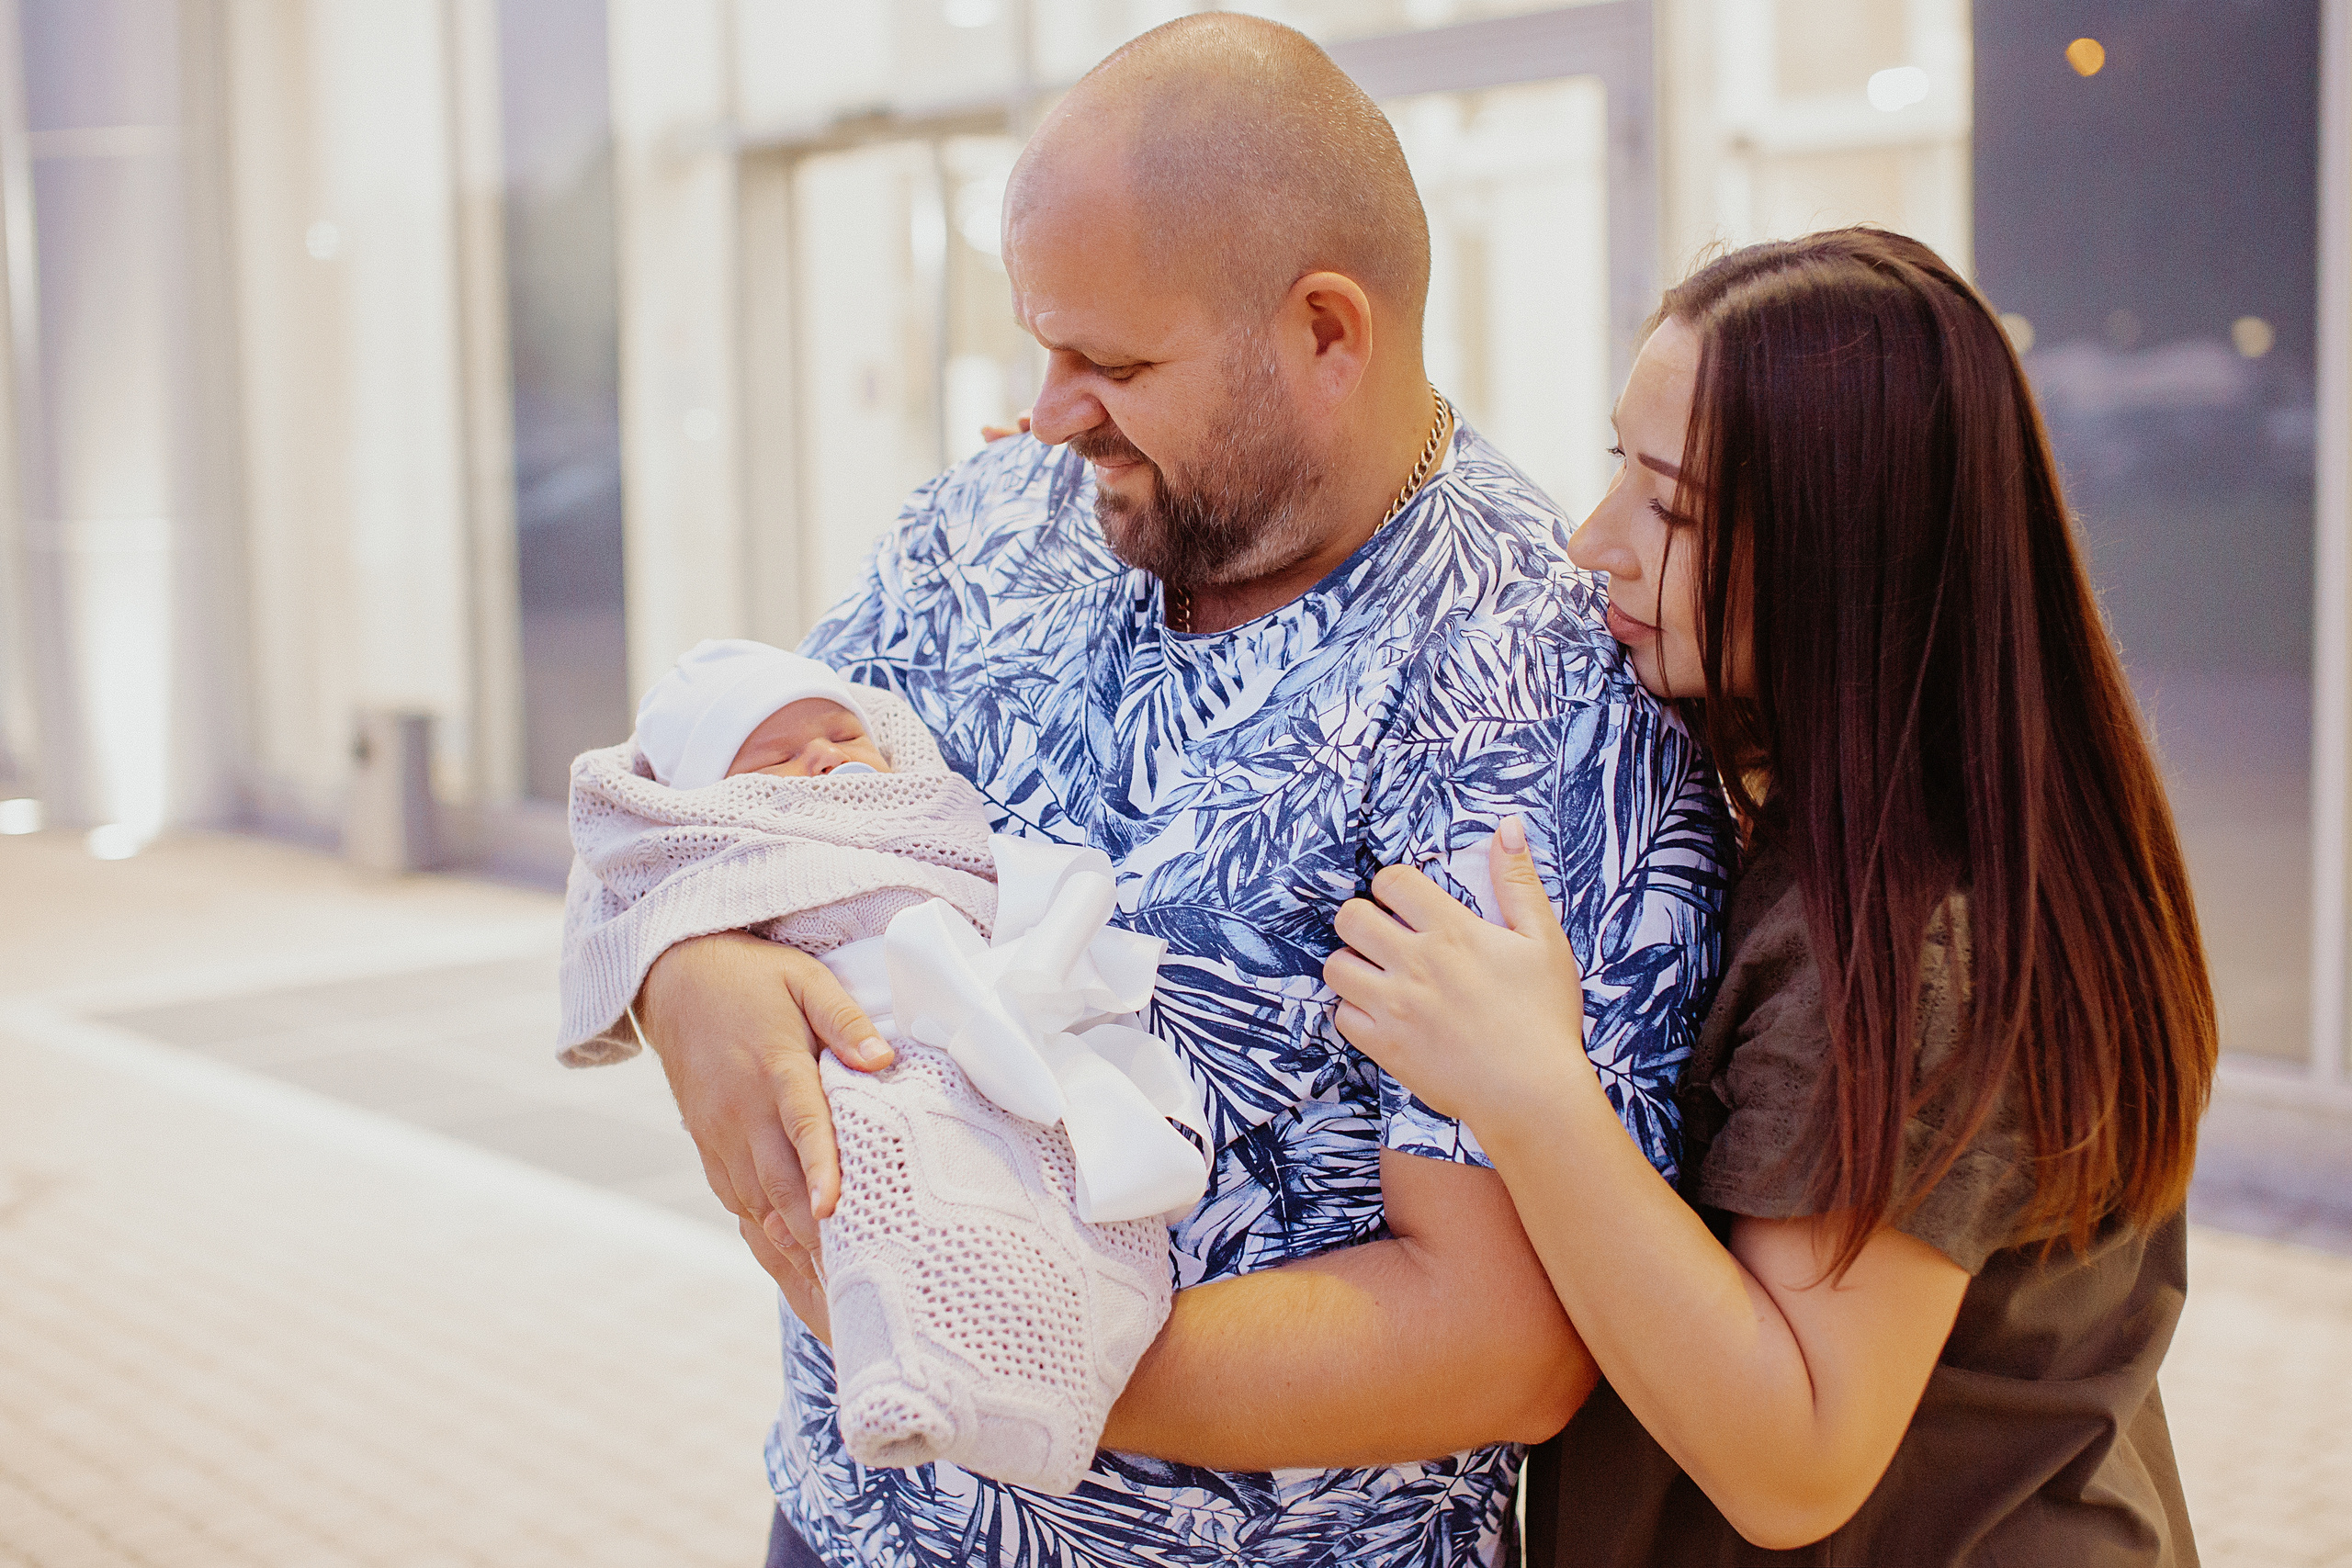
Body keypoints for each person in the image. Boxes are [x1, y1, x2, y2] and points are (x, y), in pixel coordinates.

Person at [600, 15, 1729, 1568]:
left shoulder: (1529, 691)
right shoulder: (994, 518)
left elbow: (1503, 1335)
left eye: (1112, 362)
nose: (1052, 408)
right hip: (846, 1518)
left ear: (1327, 331)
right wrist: (689, 971)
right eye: (1041, 345)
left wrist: (991, 1355)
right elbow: (734, 812)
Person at [1327, 228, 2215, 1565]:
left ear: (1853, 554)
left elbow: (1794, 1457)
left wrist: (1530, 1088)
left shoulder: (1913, 937)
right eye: (1616, 461)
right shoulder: (1872, 814)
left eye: (1671, 508)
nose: (1593, 542)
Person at [558, 637, 1206, 1496]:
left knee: (1070, 1185)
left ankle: (1100, 1308)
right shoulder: (726, 844)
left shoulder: (926, 814)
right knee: (872, 1174)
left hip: (988, 1031)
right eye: (777, 758)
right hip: (870, 1056)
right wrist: (684, 968)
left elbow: (975, 877)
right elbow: (645, 890)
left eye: (840, 734)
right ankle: (905, 1372)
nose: (824, 757)